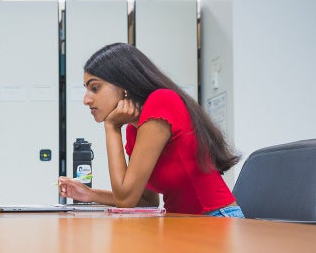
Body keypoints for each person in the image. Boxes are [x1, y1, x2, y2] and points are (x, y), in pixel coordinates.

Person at [58, 42, 244, 217]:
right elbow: (144, 200)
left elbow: (125, 199)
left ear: (123, 86)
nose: (86, 100)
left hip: (217, 219)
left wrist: (112, 127)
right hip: (184, 223)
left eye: (95, 88)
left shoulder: (161, 102)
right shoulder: (134, 129)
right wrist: (90, 194)